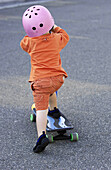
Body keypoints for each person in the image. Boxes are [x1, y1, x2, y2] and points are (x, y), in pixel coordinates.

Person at [20, 5, 69, 153]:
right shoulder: (56, 38)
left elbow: (23, 42)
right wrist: (54, 27)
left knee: (41, 109)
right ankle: (54, 110)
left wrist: (31, 33)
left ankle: (41, 136)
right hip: (58, 79)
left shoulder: (29, 42)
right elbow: (65, 35)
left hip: (40, 82)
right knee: (51, 89)